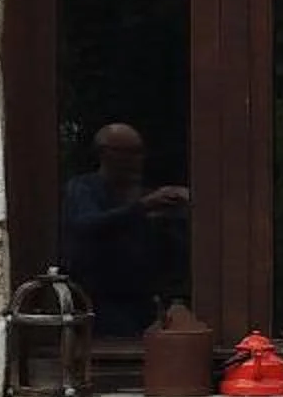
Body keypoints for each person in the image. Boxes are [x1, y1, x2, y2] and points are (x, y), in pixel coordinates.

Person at [59, 123, 188, 337]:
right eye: (129, 152)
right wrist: (142, 207)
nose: (137, 160)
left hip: (146, 298)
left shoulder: (143, 191)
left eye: (139, 152)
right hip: (101, 300)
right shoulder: (84, 188)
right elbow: (85, 225)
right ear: (104, 154)